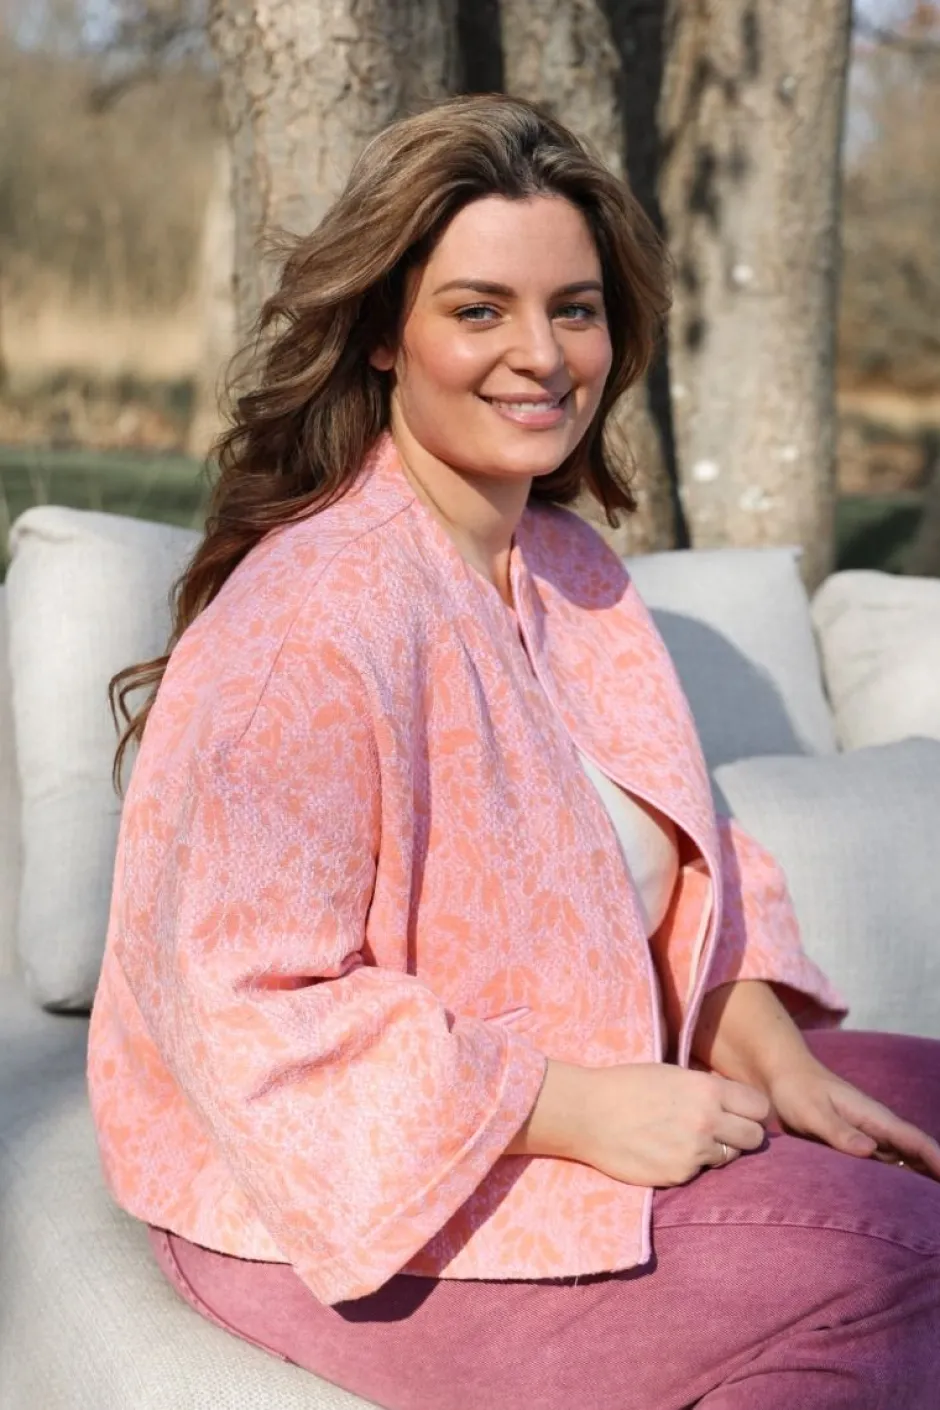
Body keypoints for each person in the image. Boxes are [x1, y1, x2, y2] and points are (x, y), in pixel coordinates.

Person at [87, 94, 940, 1410]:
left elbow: (687, 863)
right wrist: (574, 1108)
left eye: (574, 309)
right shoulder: (314, 619)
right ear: (386, 334)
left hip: (605, 1069)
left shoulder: (571, 568)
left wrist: (768, 1054)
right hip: (333, 1192)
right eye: (479, 309)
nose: (540, 355)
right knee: (907, 1256)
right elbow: (250, 1009)